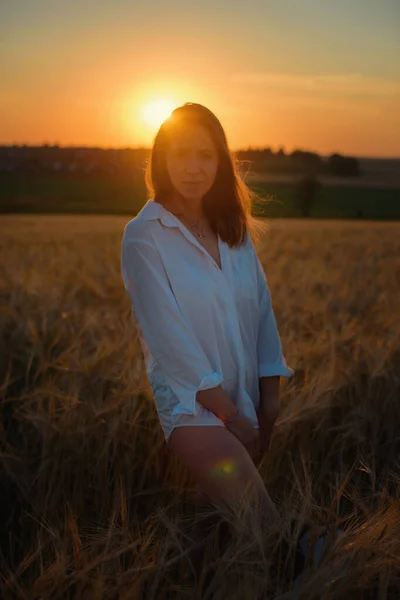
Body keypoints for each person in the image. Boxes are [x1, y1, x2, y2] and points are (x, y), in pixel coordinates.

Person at [120, 102, 294, 557]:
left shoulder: (233, 230)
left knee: (214, 537)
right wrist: (230, 415)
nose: (193, 168)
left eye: (206, 155)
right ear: (161, 159)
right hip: (191, 405)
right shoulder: (143, 234)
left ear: (221, 162)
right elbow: (166, 337)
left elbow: (261, 313)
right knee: (271, 535)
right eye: (180, 155)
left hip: (245, 399)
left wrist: (268, 399)